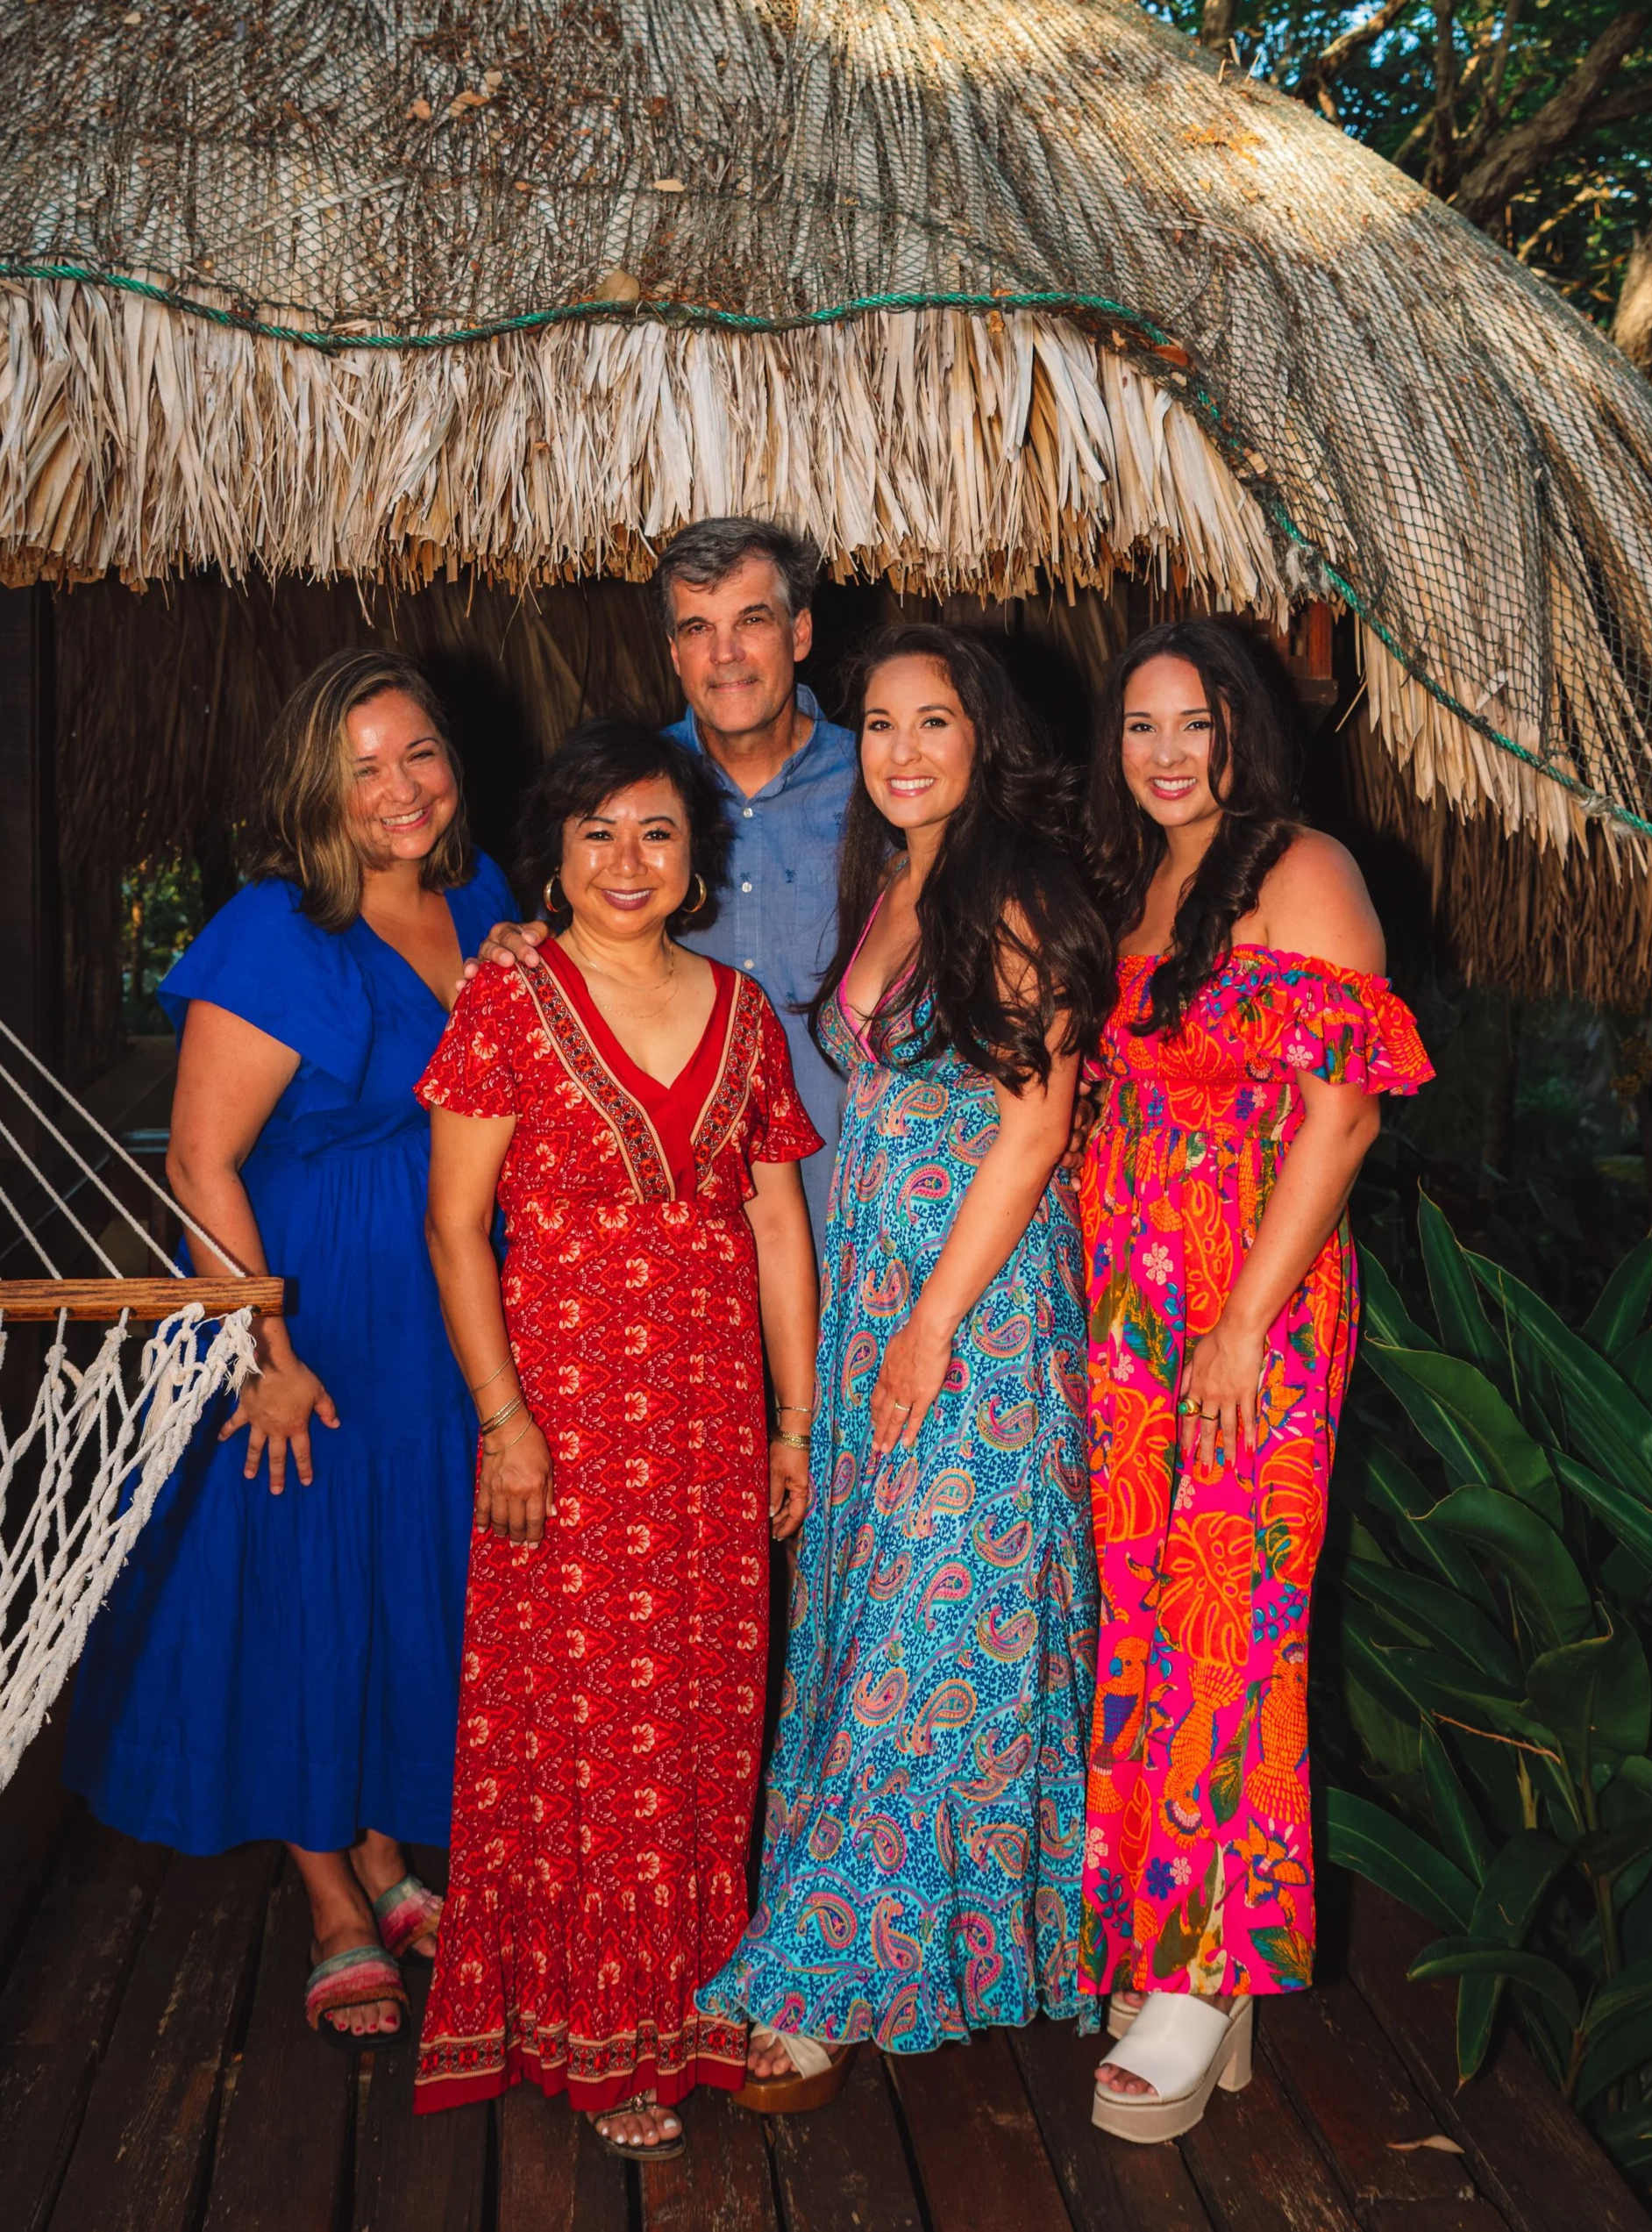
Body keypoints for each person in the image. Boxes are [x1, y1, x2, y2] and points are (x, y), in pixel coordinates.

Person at [63, 650, 516, 2046]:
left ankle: (381, 1846)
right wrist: (262, 1346)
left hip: (453, 1292)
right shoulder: (276, 928)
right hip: (312, 1302)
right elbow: (200, 1157)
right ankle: (327, 1890)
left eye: (420, 754)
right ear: (317, 788)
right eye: (364, 766)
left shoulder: (485, 892)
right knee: (306, 1576)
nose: (401, 789)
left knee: (407, 1571)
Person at [697, 624, 1112, 2104]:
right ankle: (896, 1932)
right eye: (877, 723)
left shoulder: (1014, 886)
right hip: (887, 1297)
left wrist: (933, 1324)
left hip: (980, 1312)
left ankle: (833, 1963)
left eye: (932, 721)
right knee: (881, 1609)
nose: (901, 749)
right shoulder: (901, 887)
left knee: (942, 1627)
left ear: (982, 737)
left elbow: (1035, 1124)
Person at [412, 722, 822, 2158]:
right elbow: (456, 1227)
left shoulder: (747, 1012)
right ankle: (596, 2028)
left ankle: (697, 2003)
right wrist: (503, 1418)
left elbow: (775, 1223)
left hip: (710, 1426)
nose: (629, 861)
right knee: (585, 1726)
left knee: (707, 1712)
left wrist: (795, 1419)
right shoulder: (509, 1005)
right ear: (557, 857)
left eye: (655, 832)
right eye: (597, 835)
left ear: (694, 854)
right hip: (566, 1426)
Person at [1075, 619, 1432, 2143]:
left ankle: (1213, 1965)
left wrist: (1239, 1324)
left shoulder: (1304, 871)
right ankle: (1163, 1930)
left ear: (1244, 734)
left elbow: (1341, 1120)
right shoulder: (1147, 879)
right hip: (1126, 1321)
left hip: (1246, 1312)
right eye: (1142, 726)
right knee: (1149, 1614)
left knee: (1234, 1619)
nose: (1165, 754)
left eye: (1194, 723)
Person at [468, 517, 855, 1227]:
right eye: (698, 628)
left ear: (799, 633)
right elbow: (574, 963)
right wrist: (520, 945)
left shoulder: (880, 790)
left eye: (752, 620)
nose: (726, 654)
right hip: (682, 1241)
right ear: (673, 652)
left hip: (863, 1214)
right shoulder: (625, 800)